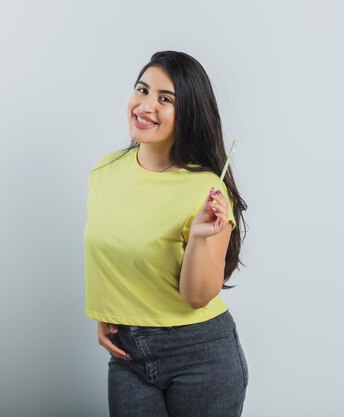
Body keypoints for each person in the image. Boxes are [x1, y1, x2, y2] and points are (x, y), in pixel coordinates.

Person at [83, 51, 249, 417]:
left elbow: (196, 297)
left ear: (187, 113)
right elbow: (113, 250)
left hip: (199, 355)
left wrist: (201, 238)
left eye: (165, 99)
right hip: (128, 355)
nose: (145, 105)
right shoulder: (105, 170)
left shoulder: (208, 190)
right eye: (142, 90)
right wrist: (108, 311)